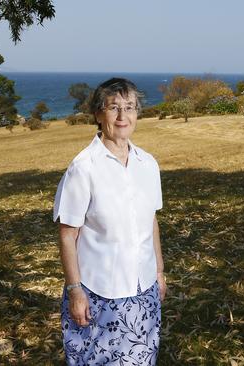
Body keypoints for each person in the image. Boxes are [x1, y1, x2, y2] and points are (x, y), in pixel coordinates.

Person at [53, 77, 166, 365]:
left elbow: (151, 220)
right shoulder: (83, 167)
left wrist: (160, 273)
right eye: (113, 107)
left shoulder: (148, 164)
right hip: (98, 292)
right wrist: (75, 290)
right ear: (98, 114)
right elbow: (68, 234)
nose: (122, 116)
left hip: (144, 289)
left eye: (130, 107)